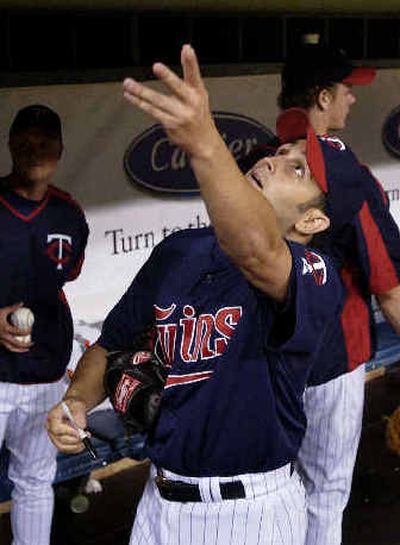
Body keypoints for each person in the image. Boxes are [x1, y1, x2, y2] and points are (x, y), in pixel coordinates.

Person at [46, 46, 370, 545]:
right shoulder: (181, 250)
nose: (276, 162)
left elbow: (259, 250)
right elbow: (110, 344)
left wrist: (203, 143)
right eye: (282, 153)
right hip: (158, 503)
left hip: (250, 514)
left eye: (298, 170)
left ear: (313, 220)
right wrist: (76, 403)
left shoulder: (315, 276)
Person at [279, 43, 400, 545]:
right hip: (332, 357)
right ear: (322, 96)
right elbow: (389, 287)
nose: (352, 100)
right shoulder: (343, 169)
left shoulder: (258, 159)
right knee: (325, 495)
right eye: (347, 91)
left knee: (277, 493)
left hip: (270, 359)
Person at [0, 104, 89, 545]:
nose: (35, 149)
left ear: (59, 150)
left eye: (45, 141)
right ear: (11, 143)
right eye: (26, 139)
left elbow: (67, 277)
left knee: (35, 480)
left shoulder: (69, 215)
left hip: (46, 373)